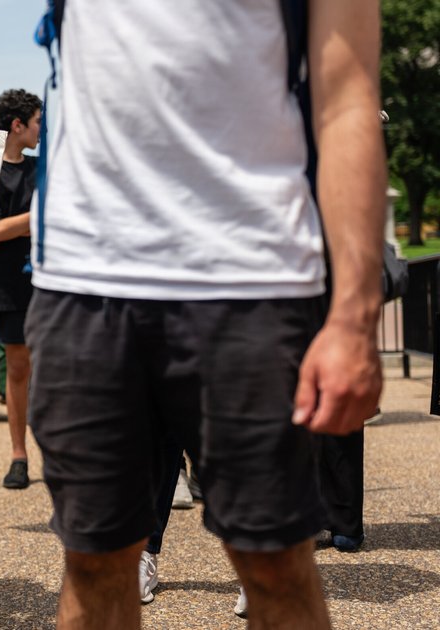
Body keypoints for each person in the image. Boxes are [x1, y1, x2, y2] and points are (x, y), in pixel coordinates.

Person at [26, 1, 385, 628]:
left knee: (275, 561)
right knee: (94, 561)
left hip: (254, 278)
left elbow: (348, 98)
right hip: (84, 278)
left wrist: (354, 318)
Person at [0, 89, 42, 490]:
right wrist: (39, 216)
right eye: (37, 121)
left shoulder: (45, 168)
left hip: (49, 281)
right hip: (9, 285)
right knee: (18, 368)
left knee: (57, 370)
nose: (42, 129)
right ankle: (18, 455)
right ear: (18, 125)